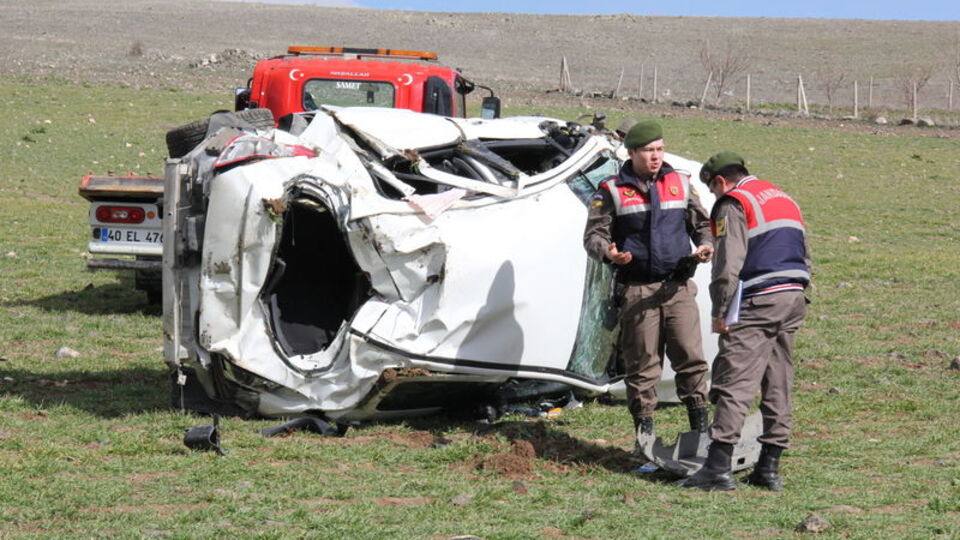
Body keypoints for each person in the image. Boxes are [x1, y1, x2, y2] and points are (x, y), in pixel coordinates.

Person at [678, 151, 811, 491]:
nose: (714, 196)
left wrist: (721, 311)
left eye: (712, 189)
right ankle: (769, 469)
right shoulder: (782, 197)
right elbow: (804, 251)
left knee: (736, 382)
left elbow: (728, 263)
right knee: (778, 380)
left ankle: (717, 468)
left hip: (760, 298)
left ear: (720, 181)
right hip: (793, 296)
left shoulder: (733, 203)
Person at [583, 120, 714, 442]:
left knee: (692, 359)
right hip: (637, 290)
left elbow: (702, 224)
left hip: (678, 287)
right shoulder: (611, 190)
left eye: (659, 149)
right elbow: (593, 236)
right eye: (648, 151)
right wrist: (609, 254)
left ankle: (701, 433)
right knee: (642, 368)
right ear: (632, 153)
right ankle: (645, 439)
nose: (655, 157)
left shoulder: (681, 183)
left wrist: (706, 244)